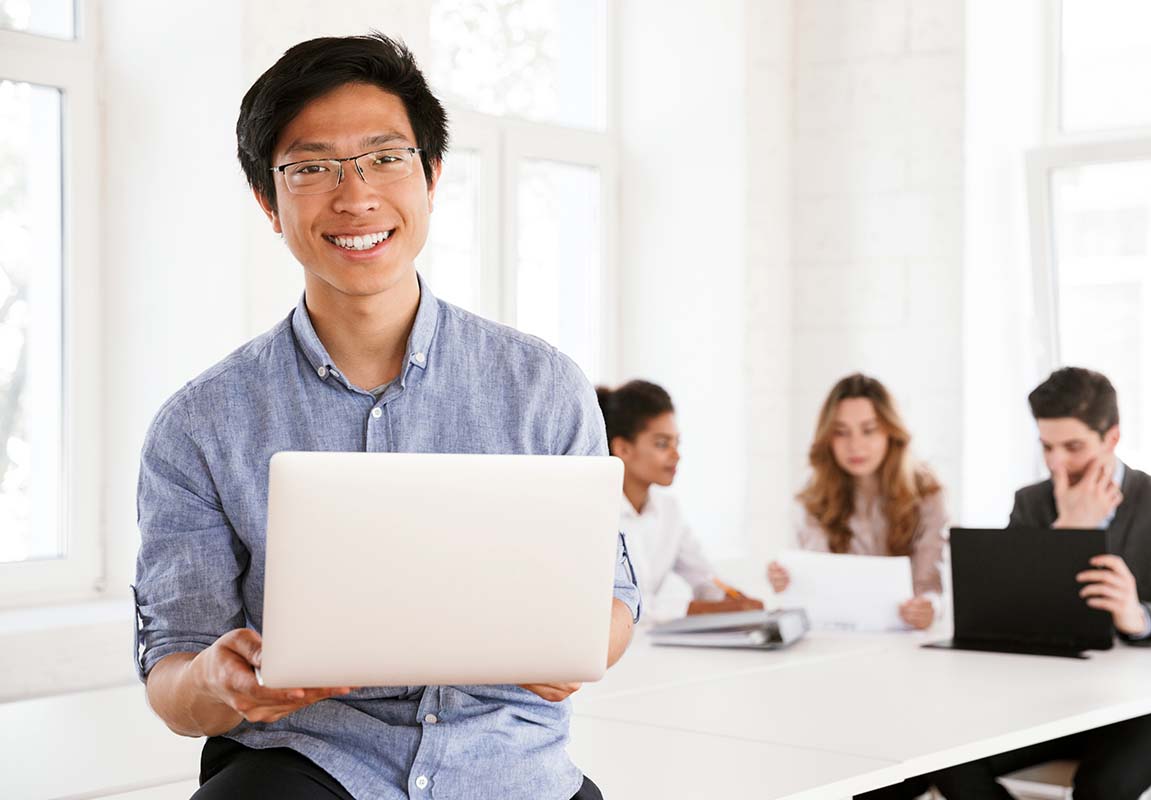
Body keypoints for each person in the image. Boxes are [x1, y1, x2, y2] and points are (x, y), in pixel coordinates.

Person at [133, 33, 637, 800]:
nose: (355, 194)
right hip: (306, 764)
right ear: (269, 201)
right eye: (311, 167)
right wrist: (216, 680)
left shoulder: (543, 388)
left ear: (432, 176)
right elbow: (173, 675)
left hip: (510, 766)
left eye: (385, 157)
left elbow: (614, 601)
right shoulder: (199, 425)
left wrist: (575, 651)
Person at [931, 367, 1151, 800]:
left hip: (1146, 708)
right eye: (1047, 447)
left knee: (1102, 788)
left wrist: (1140, 617)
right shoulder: (1033, 503)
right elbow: (1002, 610)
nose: (1057, 463)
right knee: (945, 760)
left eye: (1073, 447)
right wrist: (1069, 529)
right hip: (1050, 699)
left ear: (1111, 438)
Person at [767, 374, 948, 631]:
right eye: (841, 433)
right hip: (831, 641)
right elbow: (815, 583)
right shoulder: (813, 494)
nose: (855, 445)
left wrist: (928, 607)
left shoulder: (927, 493)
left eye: (868, 430)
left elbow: (930, 586)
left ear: (890, 432)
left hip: (902, 643)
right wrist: (788, 580)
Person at [597, 380, 758, 624]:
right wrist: (713, 611)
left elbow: (704, 577)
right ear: (622, 448)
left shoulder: (668, 510)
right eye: (662, 444)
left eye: (677, 443)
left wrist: (733, 599)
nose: (676, 455)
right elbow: (635, 605)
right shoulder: (601, 513)